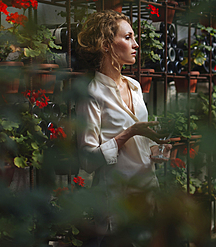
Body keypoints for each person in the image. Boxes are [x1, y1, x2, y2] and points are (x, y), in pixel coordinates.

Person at [76, 10, 172, 246]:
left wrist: (159, 149)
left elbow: (143, 143)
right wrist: (130, 132)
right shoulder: (92, 93)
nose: (136, 44)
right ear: (107, 45)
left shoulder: (136, 87)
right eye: (128, 37)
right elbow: (87, 161)